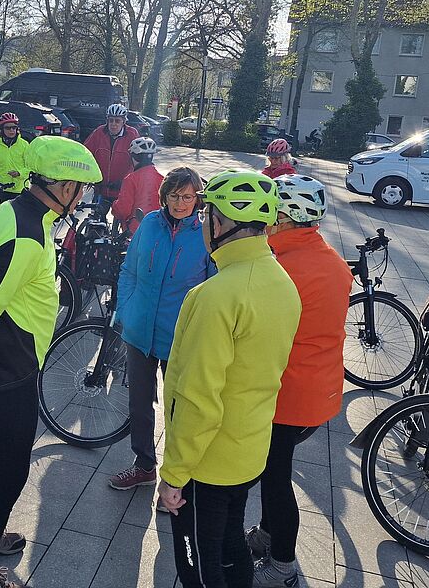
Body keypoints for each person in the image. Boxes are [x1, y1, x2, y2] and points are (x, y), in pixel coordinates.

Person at [0, 135, 102, 588]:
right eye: (80, 188)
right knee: (11, 470)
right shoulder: (27, 236)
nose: (82, 196)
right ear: (64, 188)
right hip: (9, 368)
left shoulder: (13, 212)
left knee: (1, 459)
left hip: (7, 358)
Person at [158, 170, 301, 588]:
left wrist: (174, 474)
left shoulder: (214, 297)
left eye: (207, 216)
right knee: (230, 543)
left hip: (207, 462)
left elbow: (199, 397)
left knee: (199, 565)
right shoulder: (282, 283)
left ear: (219, 224)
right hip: (249, 449)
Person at [245, 174, 353, 587]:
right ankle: (268, 537)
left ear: (285, 217)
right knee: (278, 466)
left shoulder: (281, 266)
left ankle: (282, 566)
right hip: (320, 387)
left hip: (287, 388)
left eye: (271, 212)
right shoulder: (332, 261)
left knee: (275, 477)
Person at [109, 167, 214, 498]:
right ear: (164, 196)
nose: (180, 203)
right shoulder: (151, 223)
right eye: (174, 195)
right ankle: (144, 465)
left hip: (179, 337)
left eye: (187, 196)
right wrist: (125, 310)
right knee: (139, 403)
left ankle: (177, 476)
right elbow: (129, 270)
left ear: (198, 199)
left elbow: (213, 285)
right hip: (139, 332)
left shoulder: (204, 232)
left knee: (179, 410)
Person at [83, 103, 139, 200]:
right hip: (101, 188)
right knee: (96, 214)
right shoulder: (99, 132)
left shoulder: (132, 134)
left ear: (124, 122)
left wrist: (125, 181)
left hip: (121, 190)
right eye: (111, 120)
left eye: (117, 121)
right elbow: (86, 154)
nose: (113, 124)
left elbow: (137, 162)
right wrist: (91, 175)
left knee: (121, 215)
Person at [111, 137, 163, 233]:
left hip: (135, 232)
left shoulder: (130, 179)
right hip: (157, 230)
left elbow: (123, 210)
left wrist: (114, 206)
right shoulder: (162, 179)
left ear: (134, 156)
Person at [0, 112, 29, 202]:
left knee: (19, 215)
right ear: (2, 129)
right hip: (3, 188)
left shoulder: (24, 145)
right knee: (5, 215)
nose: (11, 130)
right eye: (8, 128)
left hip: (20, 188)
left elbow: (30, 166)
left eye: (14, 127)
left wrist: (19, 173)